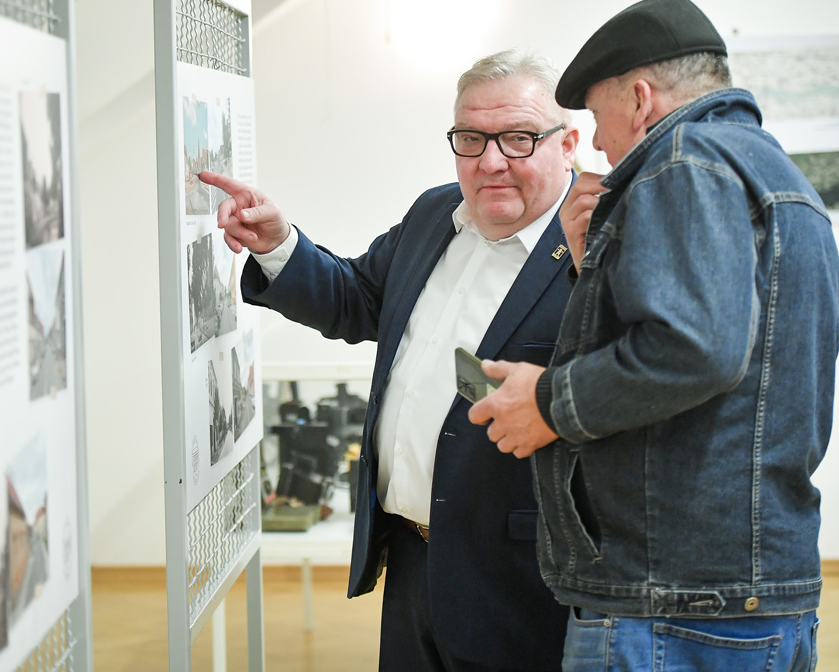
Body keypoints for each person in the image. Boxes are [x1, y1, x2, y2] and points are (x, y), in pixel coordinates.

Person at [468, 0, 839, 670]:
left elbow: (697, 349)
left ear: (640, 99)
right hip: (752, 590)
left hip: (669, 603)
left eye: (598, 117)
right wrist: (596, 266)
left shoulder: (682, 158)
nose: (600, 144)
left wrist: (547, 403)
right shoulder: (779, 176)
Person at [201, 50, 578, 671]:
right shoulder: (435, 215)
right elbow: (359, 298)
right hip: (410, 558)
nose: (490, 161)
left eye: (518, 138)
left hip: (523, 582)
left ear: (567, 145)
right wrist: (279, 246)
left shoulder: (599, 247)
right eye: (471, 138)